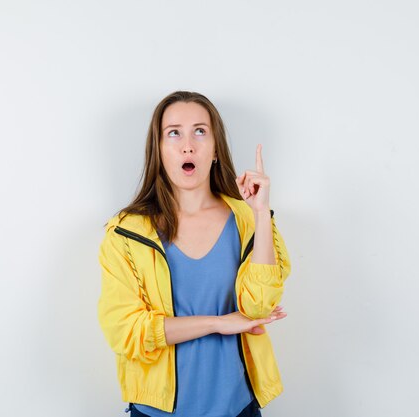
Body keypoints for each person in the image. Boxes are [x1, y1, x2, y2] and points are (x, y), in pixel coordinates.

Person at [98, 91, 292, 417]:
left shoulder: (248, 221)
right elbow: (125, 331)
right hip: (155, 413)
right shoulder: (125, 233)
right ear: (158, 149)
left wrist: (260, 213)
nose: (188, 145)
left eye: (200, 131)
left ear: (215, 148)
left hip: (238, 408)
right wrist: (218, 323)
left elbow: (258, 307)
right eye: (174, 132)